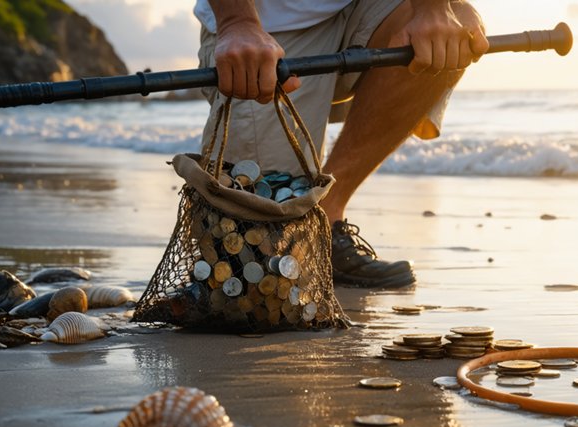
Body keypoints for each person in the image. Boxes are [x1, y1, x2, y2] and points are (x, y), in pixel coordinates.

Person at [193, 0, 489, 288]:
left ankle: (326, 216)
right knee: (247, 260)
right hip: (264, 27)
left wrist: (435, 8)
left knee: (454, 22)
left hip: (363, 8)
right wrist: (238, 23)